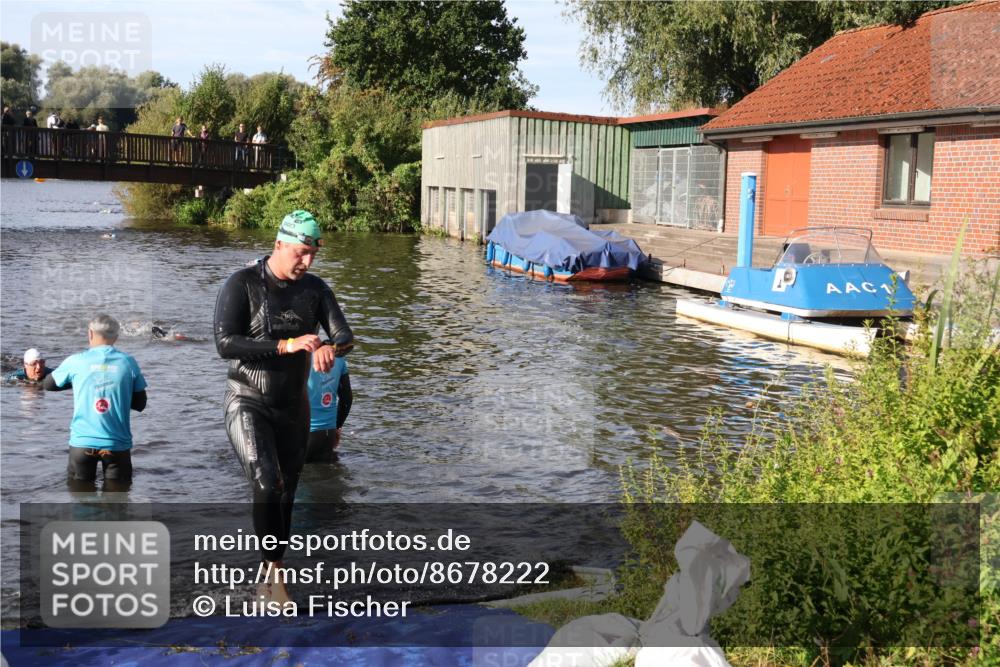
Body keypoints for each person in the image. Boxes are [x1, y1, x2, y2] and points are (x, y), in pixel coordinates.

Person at [214, 209, 353, 604]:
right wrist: (285, 345)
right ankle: (270, 576)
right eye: (299, 253)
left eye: (312, 255)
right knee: (266, 480)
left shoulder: (315, 289)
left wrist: (329, 346)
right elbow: (225, 343)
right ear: (278, 245)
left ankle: (273, 571)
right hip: (247, 400)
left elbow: (345, 336)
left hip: (294, 407)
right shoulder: (241, 284)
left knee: (288, 493)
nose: (306, 262)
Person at [42, 315, 148, 491]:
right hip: (116, 445)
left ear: (90, 334)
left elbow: (48, 384)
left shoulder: (76, 361)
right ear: (116, 336)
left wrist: (78, 383)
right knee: (117, 503)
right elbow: (140, 404)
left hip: (82, 444)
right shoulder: (128, 363)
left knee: (81, 503)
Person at [305, 353, 352, 463]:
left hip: (300, 435)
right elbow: (347, 399)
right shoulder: (338, 356)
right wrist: (337, 427)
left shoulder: (295, 353)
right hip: (328, 435)